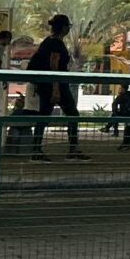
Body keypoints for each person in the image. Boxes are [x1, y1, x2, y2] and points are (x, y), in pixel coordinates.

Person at [29, 13, 82, 158]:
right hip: (55, 85)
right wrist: (56, 89)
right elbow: (54, 66)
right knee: (72, 115)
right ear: (63, 27)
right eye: (68, 26)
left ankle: (36, 149)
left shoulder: (48, 41)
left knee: (44, 116)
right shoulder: (56, 44)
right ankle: (72, 149)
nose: (69, 29)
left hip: (47, 85)